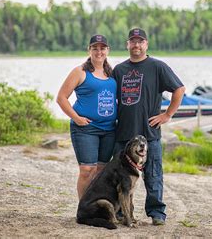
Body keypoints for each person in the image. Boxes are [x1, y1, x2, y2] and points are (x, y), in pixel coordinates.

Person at [112, 27, 185, 226]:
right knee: (121, 177)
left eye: (140, 41)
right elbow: (109, 95)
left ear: (146, 44)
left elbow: (179, 89)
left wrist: (167, 114)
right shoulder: (119, 70)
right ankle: (120, 212)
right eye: (133, 41)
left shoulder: (157, 67)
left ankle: (156, 213)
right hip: (123, 134)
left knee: (153, 174)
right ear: (127, 44)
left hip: (149, 133)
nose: (136, 45)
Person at [56, 34, 117, 200]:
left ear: (108, 50)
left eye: (102, 48)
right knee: (87, 170)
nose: (99, 51)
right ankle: (83, 208)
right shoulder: (80, 71)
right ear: (89, 50)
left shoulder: (113, 73)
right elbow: (61, 98)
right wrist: (76, 118)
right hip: (86, 129)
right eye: (95, 48)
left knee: (101, 170)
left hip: (109, 130)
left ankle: (95, 205)